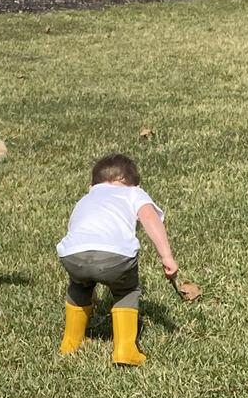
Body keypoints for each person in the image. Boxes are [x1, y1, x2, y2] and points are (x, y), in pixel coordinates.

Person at [56, 154, 178, 366]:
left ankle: (70, 344)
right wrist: (166, 256)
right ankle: (125, 350)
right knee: (126, 291)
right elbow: (150, 218)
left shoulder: (86, 198)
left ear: (91, 185)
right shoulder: (133, 193)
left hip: (73, 255)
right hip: (115, 256)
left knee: (79, 287)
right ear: (135, 184)